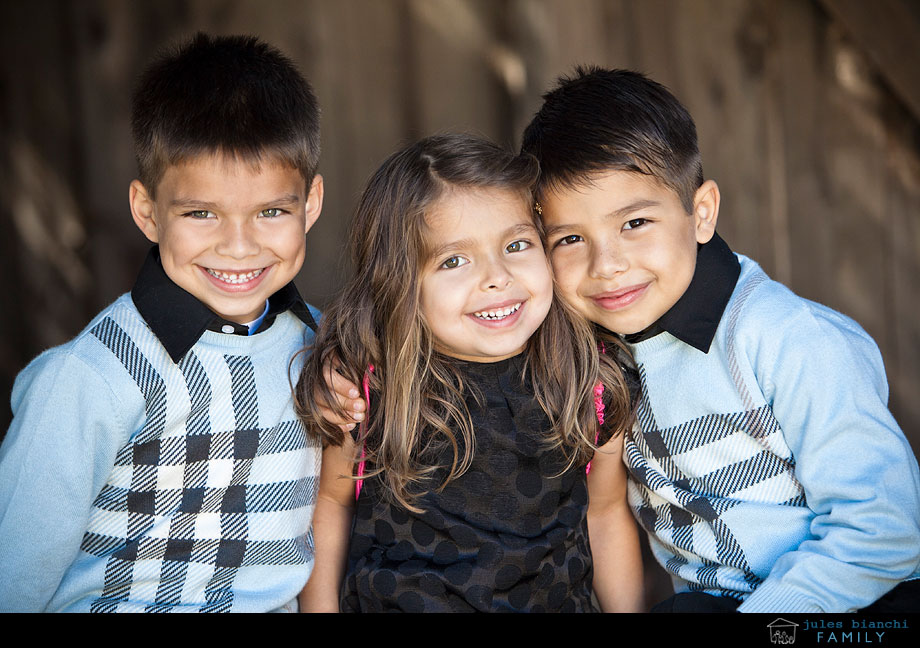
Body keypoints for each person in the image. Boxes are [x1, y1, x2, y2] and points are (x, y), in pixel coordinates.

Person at [518, 66, 920, 613]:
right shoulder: (589, 346)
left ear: (700, 213)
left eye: (634, 223)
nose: (606, 266)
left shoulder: (788, 339)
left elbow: (884, 532)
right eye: (570, 238)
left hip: (859, 602)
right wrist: (358, 383)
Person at [0, 33, 325, 612]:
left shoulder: (326, 353)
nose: (238, 246)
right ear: (147, 213)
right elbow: (12, 575)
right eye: (201, 214)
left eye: (271, 211)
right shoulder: (92, 378)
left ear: (312, 204)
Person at [296, 134, 643, 613]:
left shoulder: (588, 382)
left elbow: (604, 513)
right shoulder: (367, 388)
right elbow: (333, 505)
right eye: (453, 260)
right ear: (398, 284)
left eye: (517, 244)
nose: (496, 276)